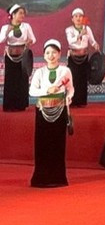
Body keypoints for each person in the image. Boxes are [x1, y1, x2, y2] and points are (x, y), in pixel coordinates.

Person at [28, 39, 73, 188]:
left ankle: (57, 178)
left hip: (59, 111)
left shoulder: (65, 71)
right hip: (43, 111)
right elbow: (32, 91)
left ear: (59, 54)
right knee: (42, 144)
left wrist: (68, 98)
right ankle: (41, 178)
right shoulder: (39, 72)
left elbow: (71, 89)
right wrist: (46, 91)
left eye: (54, 52)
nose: (51, 55)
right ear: (44, 55)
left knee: (57, 144)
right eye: (47, 52)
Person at [1, 4, 36, 112]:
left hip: (23, 55)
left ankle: (21, 104)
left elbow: (33, 39)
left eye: (23, 13)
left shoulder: (26, 26)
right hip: (11, 56)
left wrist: (29, 41)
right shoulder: (5, 27)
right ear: (13, 14)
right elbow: (1, 40)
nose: (22, 15)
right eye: (20, 13)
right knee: (11, 80)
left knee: (22, 79)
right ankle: (10, 105)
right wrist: (7, 31)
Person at [65, 8, 99, 107]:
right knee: (74, 78)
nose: (78, 18)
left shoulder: (87, 29)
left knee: (83, 79)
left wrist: (95, 44)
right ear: (72, 19)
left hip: (84, 56)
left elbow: (92, 41)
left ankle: (82, 101)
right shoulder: (69, 30)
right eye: (76, 16)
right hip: (73, 57)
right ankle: (73, 101)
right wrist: (80, 34)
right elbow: (70, 41)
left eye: (80, 16)